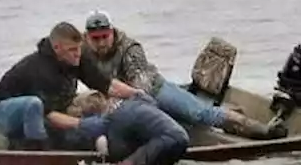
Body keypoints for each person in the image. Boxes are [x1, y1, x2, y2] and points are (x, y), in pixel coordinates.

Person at [81, 10, 287, 140]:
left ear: (112, 32)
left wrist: (114, 104)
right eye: (95, 38)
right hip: (121, 100)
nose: (100, 43)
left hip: (154, 90)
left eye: (104, 37)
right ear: (88, 37)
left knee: (201, 114)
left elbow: (140, 84)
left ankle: (261, 130)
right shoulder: (82, 51)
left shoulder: (129, 48)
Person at [0, 21, 146, 150]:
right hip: (0, 112)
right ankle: (38, 151)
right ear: (57, 48)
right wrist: (82, 125)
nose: (78, 54)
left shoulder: (77, 57)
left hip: (52, 107)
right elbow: (49, 115)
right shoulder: (39, 69)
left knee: (95, 100)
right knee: (33, 106)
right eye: (72, 50)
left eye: (79, 48)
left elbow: (108, 85)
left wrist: (136, 93)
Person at [61, 90, 190, 165]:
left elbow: (117, 152)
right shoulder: (128, 104)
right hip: (182, 138)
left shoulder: (111, 121)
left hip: (164, 140)